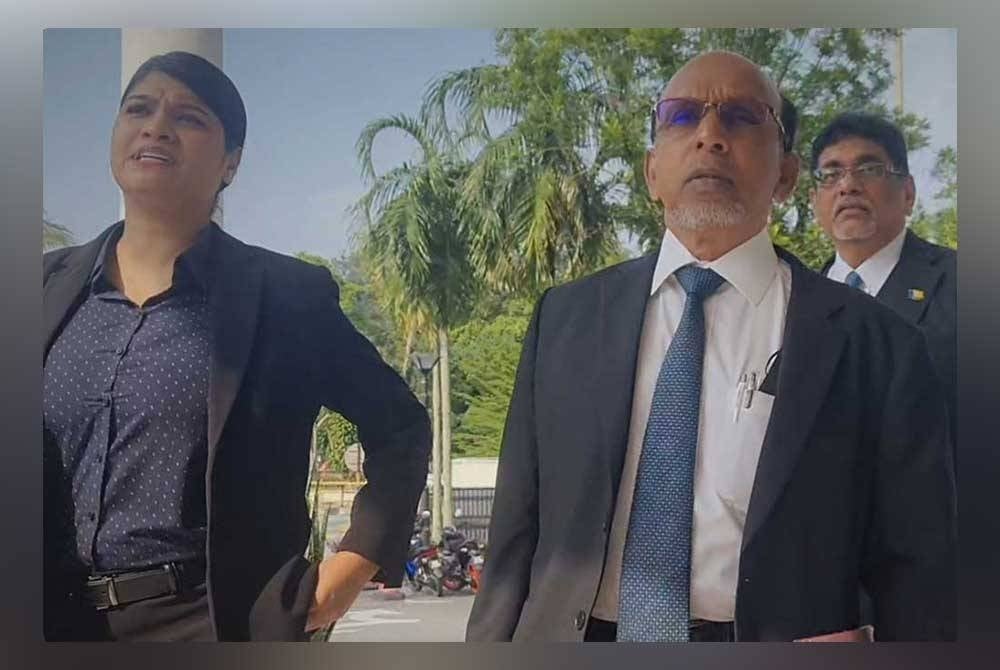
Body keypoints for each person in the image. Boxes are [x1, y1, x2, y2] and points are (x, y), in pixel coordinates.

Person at [465, 51, 956, 642]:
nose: (709, 135)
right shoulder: (564, 319)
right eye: (680, 116)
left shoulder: (877, 343)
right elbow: (514, 537)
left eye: (744, 116)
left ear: (786, 175)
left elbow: (919, 565)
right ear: (651, 170)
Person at [42, 51, 431, 641]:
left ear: (231, 163)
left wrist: (351, 566)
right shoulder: (40, 290)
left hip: (212, 622)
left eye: (189, 117)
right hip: (48, 618)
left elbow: (400, 427)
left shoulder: (284, 299)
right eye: (138, 109)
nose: (156, 126)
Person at [811, 112, 957, 462]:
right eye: (831, 175)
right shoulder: (794, 298)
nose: (848, 185)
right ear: (815, 202)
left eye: (869, 169)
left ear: (907, 193)